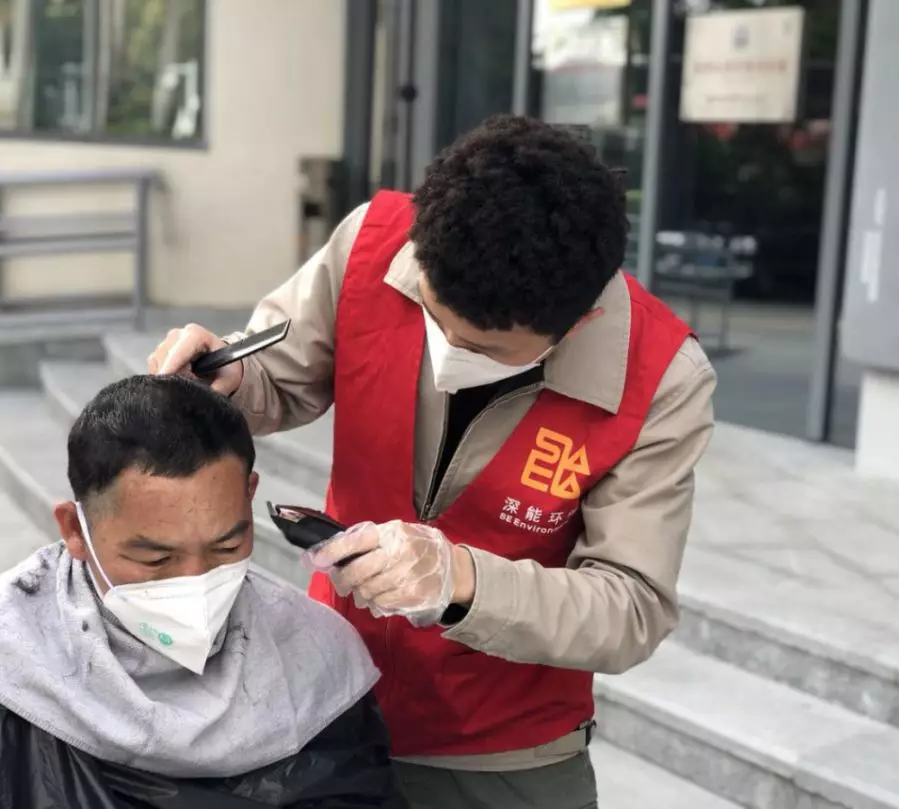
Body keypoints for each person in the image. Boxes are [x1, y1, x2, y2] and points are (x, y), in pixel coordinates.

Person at [149, 114, 717, 809]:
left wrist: (459, 579)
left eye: (479, 346)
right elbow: (281, 373)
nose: (444, 352)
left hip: (504, 751)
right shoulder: (375, 243)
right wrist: (234, 378)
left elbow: (630, 607)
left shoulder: (661, 377)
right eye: (430, 314)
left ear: (581, 321)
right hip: (331, 696)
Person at [0, 375, 407, 808]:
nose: (196, 580)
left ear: (249, 495)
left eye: (226, 547)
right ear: (74, 530)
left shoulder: (316, 660)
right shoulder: (15, 659)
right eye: (156, 559)